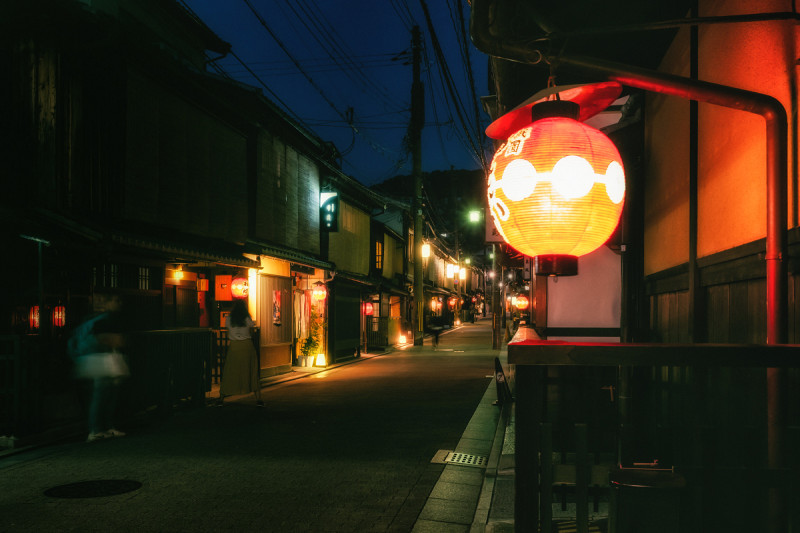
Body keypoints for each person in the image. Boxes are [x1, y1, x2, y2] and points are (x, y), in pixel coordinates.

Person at [70, 293, 129, 443]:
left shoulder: (92, 320)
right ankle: (97, 429)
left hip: (96, 360)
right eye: (116, 300)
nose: (119, 303)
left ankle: (101, 428)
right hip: (101, 360)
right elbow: (110, 340)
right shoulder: (104, 320)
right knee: (102, 396)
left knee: (103, 396)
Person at [218, 300, 263, 407]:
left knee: (230, 371)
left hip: (234, 347)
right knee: (251, 371)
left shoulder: (229, 319)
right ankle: (258, 399)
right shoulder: (247, 318)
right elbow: (251, 331)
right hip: (247, 346)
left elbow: (228, 331)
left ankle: (221, 398)